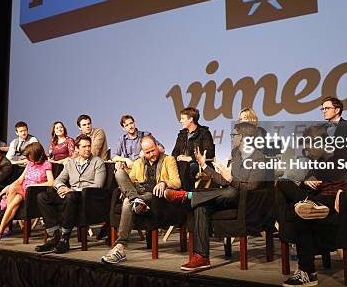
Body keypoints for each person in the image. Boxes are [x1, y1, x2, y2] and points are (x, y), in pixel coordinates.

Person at [278, 97, 347, 287]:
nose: (309, 149)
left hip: (334, 199)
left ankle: (307, 273)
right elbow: (310, 176)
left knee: (300, 214)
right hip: (318, 197)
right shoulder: (318, 161)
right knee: (283, 184)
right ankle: (308, 203)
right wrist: (309, 180)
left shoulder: (345, 152)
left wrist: (342, 192)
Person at [164, 122, 271, 270]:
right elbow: (223, 180)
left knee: (231, 191)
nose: (232, 138)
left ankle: (187, 196)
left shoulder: (259, 159)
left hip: (249, 202)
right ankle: (202, 257)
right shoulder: (237, 155)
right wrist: (205, 166)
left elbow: (252, 188)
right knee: (201, 205)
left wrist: (232, 180)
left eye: (234, 135)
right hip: (229, 197)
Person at [100, 135, 181, 264]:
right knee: (119, 174)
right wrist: (122, 169)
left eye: (153, 150)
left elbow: (177, 182)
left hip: (154, 195)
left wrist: (164, 182)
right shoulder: (139, 162)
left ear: (157, 146)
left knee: (127, 201)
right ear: (143, 152)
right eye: (148, 152)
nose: (152, 154)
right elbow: (130, 181)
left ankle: (120, 246)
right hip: (139, 192)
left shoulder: (168, 160)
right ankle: (136, 201)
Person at [35, 134, 106, 254]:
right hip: (69, 196)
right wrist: (61, 188)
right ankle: (54, 236)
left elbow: (98, 185)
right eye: (84, 147)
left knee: (71, 196)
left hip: (86, 198)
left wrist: (73, 190)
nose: (87, 149)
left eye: (89, 146)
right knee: (42, 197)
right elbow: (58, 180)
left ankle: (64, 239)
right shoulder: (71, 163)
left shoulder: (98, 162)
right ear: (77, 149)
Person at [0, 142, 54, 242]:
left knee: (13, 189)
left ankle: (5, 227)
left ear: (36, 154)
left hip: (33, 193)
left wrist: (34, 185)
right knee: (14, 202)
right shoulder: (30, 164)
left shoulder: (46, 165)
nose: (28, 158)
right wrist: (8, 187)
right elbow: (20, 179)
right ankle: (0, 231)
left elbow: (51, 182)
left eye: (29, 155)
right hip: (22, 191)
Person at [171, 107, 215, 189]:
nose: (180, 121)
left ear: (190, 119)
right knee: (170, 164)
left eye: (182, 118)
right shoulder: (182, 134)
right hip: (181, 163)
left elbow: (210, 152)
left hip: (198, 164)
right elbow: (175, 152)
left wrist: (190, 158)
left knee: (189, 166)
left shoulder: (204, 133)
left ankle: (188, 195)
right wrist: (177, 157)